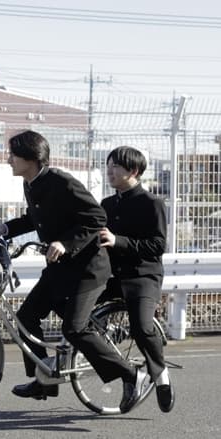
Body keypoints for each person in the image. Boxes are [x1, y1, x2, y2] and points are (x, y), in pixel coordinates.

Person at [0, 130, 148, 414]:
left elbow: (97, 218)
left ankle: (131, 374)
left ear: (31, 158)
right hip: (60, 268)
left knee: (74, 328)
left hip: (89, 269)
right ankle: (45, 378)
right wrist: (5, 229)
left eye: (13, 155)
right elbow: (35, 218)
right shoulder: (31, 184)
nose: (9, 160)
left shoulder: (62, 182)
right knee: (26, 317)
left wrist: (65, 243)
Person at [100, 146, 174, 413]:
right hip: (113, 276)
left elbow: (157, 245)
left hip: (144, 276)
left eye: (116, 166)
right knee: (77, 315)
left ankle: (161, 374)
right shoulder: (107, 204)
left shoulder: (151, 203)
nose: (110, 170)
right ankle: (125, 370)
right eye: (108, 165)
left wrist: (117, 240)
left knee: (142, 327)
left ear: (134, 170)